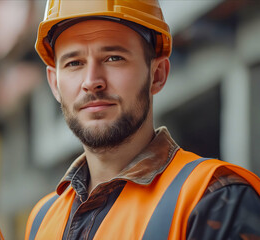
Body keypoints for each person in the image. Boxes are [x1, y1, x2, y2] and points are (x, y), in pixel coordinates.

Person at [25, 0, 260, 239]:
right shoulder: (41, 220)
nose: (91, 81)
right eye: (74, 63)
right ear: (54, 84)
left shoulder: (215, 199)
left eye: (113, 58)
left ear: (157, 74)